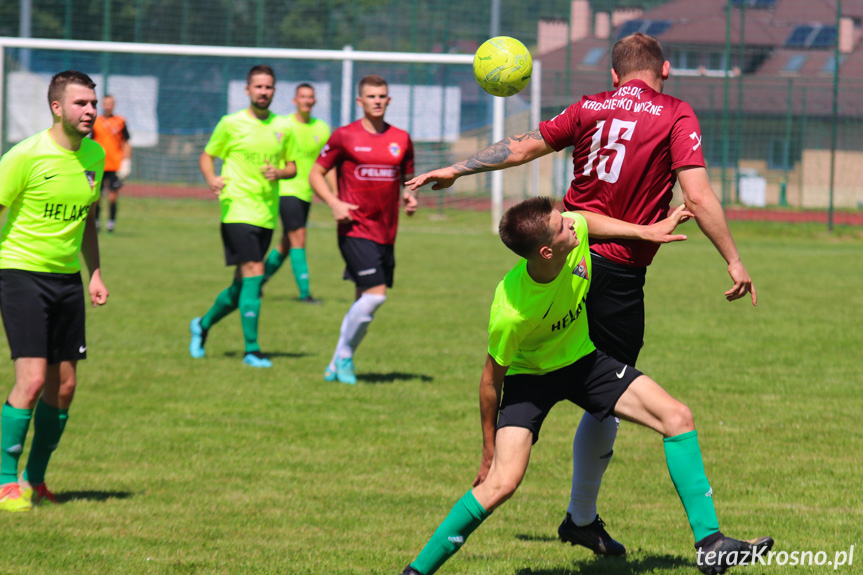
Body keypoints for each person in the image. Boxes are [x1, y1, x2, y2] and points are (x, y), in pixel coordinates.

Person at [407, 32, 756, 556]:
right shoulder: (675, 112)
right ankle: (583, 516)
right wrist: (732, 257)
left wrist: (457, 167)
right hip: (611, 274)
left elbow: (521, 145)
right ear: (664, 72)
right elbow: (699, 194)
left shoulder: (590, 106)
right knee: (605, 402)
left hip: (566, 250)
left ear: (613, 76)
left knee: (575, 387)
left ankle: (567, 506)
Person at [397, 197, 771, 575]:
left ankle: (712, 545)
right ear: (546, 251)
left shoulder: (571, 237)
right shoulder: (511, 312)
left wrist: (646, 232)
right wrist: (488, 449)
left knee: (677, 417)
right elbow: (490, 382)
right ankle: (417, 570)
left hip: (584, 363)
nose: (572, 226)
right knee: (502, 483)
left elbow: (586, 219)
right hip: (530, 380)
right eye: (562, 227)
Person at [0, 71, 109, 512]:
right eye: (81, 103)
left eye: (93, 103)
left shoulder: (96, 156)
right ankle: (6, 482)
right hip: (21, 273)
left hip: (67, 280)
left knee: (64, 387)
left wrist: (96, 273)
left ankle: (36, 478)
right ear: (57, 108)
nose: (90, 111)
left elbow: (86, 221)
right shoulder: (24, 156)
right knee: (32, 379)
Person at [309, 74, 417, 384]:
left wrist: (410, 196)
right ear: (360, 101)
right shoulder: (344, 136)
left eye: (382, 95)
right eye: (371, 96)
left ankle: (336, 364)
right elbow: (316, 174)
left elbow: (407, 180)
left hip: (386, 232)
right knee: (375, 296)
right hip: (354, 227)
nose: (377, 100)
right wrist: (333, 202)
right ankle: (343, 357)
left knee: (362, 301)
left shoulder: (402, 139)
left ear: (389, 99)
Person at [189, 65, 296, 368]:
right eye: (258, 87)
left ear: (274, 91)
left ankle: (202, 325)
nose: (264, 92)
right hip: (236, 208)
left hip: (266, 213)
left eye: (269, 87)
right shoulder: (230, 123)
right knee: (254, 272)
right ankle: (252, 350)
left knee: (242, 287)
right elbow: (207, 155)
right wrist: (211, 177)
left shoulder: (283, 127)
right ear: (247, 90)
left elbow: (293, 167)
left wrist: (280, 171)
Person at [262, 83, 331, 304]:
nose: (307, 101)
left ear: (315, 101)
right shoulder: (285, 126)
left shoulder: (321, 128)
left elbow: (327, 164)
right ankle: (305, 294)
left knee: (286, 244)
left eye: (310, 97)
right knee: (299, 238)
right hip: (287, 190)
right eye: (303, 96)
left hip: (306, 193)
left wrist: (336, 194)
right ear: (295, 100)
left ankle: (255, 280)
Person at [91, 94, 132, 233]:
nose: (108, 106)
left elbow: (126, 143)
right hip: (99, 164)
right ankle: (96, 222)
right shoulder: (95, 121)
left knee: (113, 196)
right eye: (106, 103)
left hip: (115, 164)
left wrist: (126, 161)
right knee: (96, 196)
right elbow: (90, 142)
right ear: (102, 105)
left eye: (110, 103)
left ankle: (111, 223)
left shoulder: (120, 121)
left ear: (114, 105)